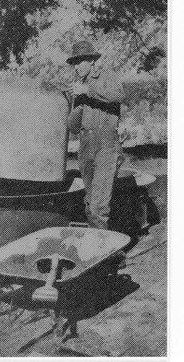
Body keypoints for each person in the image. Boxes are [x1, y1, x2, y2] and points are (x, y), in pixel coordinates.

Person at [66, 41, 125, 230]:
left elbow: (119, 96)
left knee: (99, 205)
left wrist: (87, 91)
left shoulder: (106, 76)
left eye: (80, 61)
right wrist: (74, 106)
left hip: (105, 145)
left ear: (92, 61)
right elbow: (73, 127)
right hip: (85, 145)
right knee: (91, 201)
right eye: (74, 63)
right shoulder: (79, 87)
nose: (76, 67)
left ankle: (105, 255)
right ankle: (101, 248)